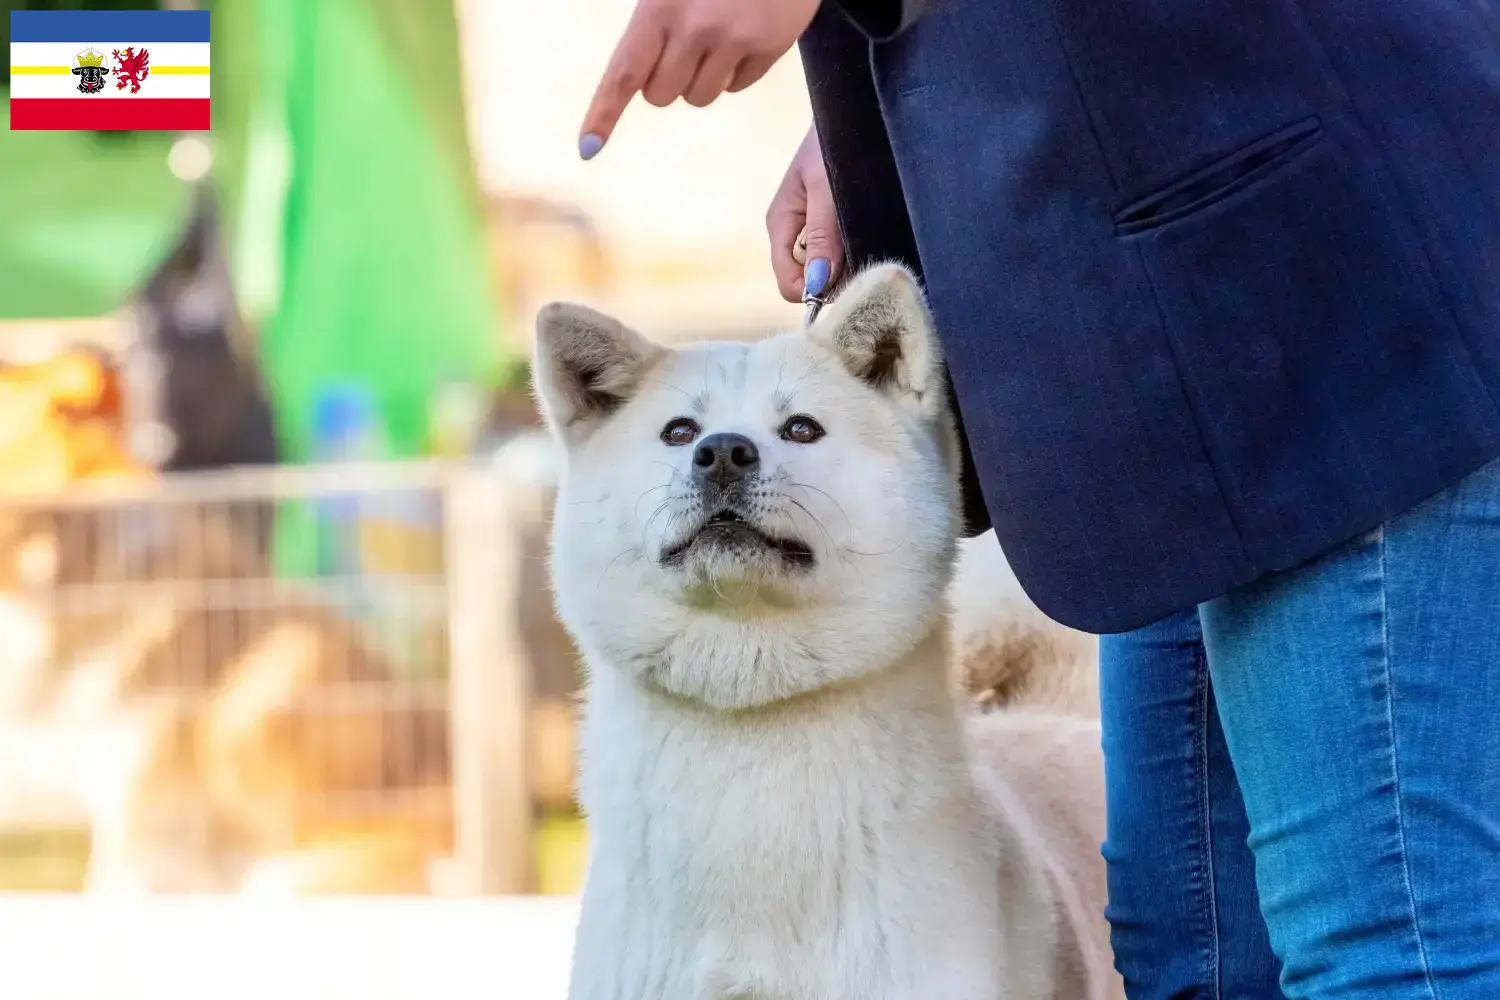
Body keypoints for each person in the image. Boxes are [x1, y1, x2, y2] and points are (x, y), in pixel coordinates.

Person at [575, 1, 1500, 998]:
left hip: (1337, 282)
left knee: (1388, 948)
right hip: (1164, 315)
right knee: (1191, 955)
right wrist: (872, 129)